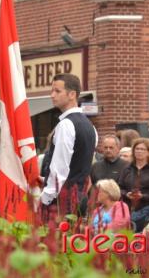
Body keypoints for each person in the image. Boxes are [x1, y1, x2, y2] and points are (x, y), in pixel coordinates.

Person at [40, 73, 98, 219]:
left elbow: (60, 169)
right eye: (51, 91)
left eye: (57, 91)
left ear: (72, 94)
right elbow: (81, 164)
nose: (52, 95)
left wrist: (45, 198)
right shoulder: (90, 126)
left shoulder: (66, 124)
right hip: (78, 197)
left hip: (61, 202)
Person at [118, 138, 149, 232]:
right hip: (127, 208)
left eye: (142, 149)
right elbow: (119, 188)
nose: (139, 151)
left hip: (146, 208)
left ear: (148, 152)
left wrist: (143, 196)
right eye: (137, 149)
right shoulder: (127, 169)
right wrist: (126, 194)